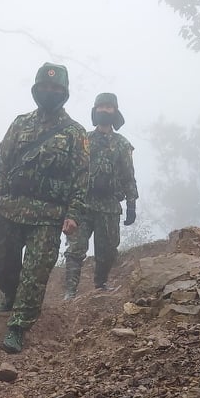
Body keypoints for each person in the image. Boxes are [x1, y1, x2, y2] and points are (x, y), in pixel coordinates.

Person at [0, 62, 90, 354]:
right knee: (1, 261)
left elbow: (81, 179)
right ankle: (11, 296)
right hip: (11, 209)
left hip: (48, 216)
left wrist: (73, 214)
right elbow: (2, 165)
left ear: (64, 93)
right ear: (36, 89)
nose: (49, 92)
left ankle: (18, 326)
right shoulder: (20, 124)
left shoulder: (75, 133)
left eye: (56, 88)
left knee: (35, 272)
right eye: (44, 87)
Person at [63, 92, 138, 299]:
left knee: (107, 251)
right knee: (75, 249)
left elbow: (128, 176)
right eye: (101, 107)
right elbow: (71, 171)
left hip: (109, 206)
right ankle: (70, 291)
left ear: (115, 111)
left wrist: (131, 204)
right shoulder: (84, 140)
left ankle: (101, 284)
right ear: (95, 110)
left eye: (109, 107)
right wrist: (66, 203)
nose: (104, 110)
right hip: (83, 204)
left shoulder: (123, 144)